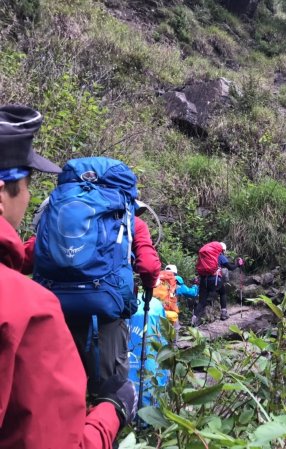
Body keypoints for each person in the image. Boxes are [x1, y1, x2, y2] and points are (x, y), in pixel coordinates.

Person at [0, 104, 136, 447]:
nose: (30, 197)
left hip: (64, 304)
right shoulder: (26, 308)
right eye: (28, 184)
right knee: (104, 385)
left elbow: (33, 254)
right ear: (2, 193)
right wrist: (112, 411)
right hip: (104, 315)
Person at [24, 162, 161, 395]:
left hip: (53, 317)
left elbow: (26, 255)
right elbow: (148, 266)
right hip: (105, 317)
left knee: (57, 395)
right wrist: (148, 288)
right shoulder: (132, 222)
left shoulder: (56, 218)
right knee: (110, 397)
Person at [193, 241, 243, 323]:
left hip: (203, 280)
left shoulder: (205, 257)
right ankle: (223, 313)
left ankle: (194, 320)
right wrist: (238, 264)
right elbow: (231, 267)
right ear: (222, 250)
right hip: (214, 280)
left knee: (201, 301)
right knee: (222, 291)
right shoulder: (220, 256)